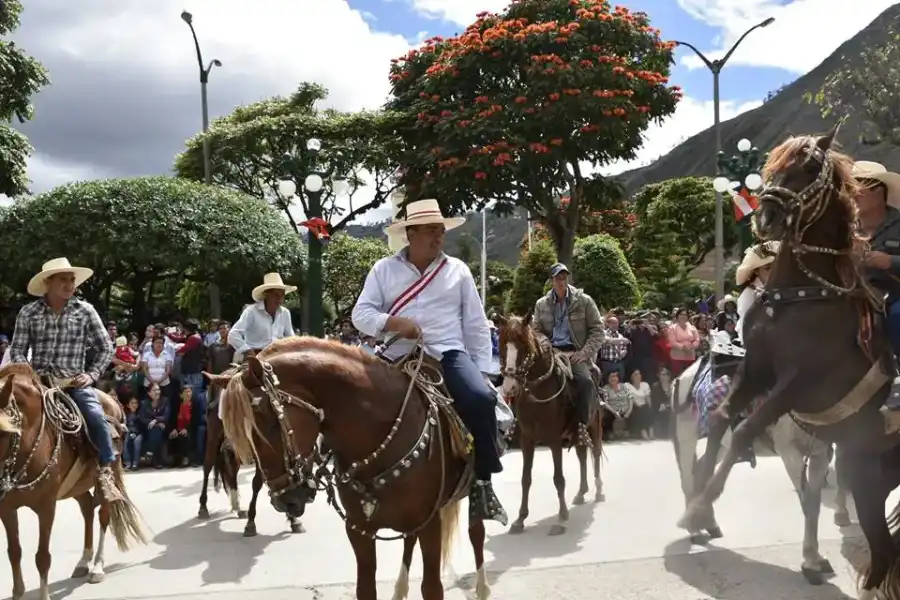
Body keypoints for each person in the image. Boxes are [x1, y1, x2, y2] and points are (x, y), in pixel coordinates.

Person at [352, 198, 507, 526]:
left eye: (441, 231)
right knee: (352, 404)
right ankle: (354, 481)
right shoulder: (384, 269)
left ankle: (483, 485)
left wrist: (481, 373)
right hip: (395, 355)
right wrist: (394, 323)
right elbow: (361, 315)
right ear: (410, 234)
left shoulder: (458, 270)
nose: (439, 237)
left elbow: (476, 325)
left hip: (447, 353)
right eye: (430, 232)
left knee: (481, 399)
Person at [9, 257, 121, 501]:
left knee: (95, 416)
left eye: (72, 280)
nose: (70, 285)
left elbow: (106, 348)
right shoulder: (29, 312)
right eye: (64, 280)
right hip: (37, 385)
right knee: (8, 416)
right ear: (48, 283)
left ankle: (105, 473)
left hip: (73, 385)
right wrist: (28, 372)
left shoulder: (85, 311)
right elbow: (17, 350)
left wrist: (91, 375)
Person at [531, 262, 605, 446]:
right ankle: (522, 424)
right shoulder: (542, 304)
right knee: (527, 379)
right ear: (551, 281)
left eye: (564, 277)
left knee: (586, 382)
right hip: (552, 352)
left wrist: (585, 353)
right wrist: (546, 345)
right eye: (557, 278)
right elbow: (536, 330)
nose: (561, 281)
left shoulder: (584, 300)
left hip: (575, 353)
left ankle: (581, 425)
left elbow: (598, 330)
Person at [852, 161, 900, 410]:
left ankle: (897, 381)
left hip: (894, 295)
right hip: (853, 296)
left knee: (898, 315)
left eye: (857, 188)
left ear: (878, 191)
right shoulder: (846, 229)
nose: (852, 195)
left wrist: (889, 261)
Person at [221, 273, 296, 419]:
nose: (280, 299)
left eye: (282, 295)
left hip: (278, 358)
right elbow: (233, 334)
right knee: (240, 390)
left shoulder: (285, 313)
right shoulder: (251, 312)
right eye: (276, 295)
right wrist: (248, 350)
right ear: (266, 295)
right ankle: (230, 419)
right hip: (255, 358)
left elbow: (290, 337)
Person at [734, 241, 780, 343]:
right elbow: (745, 332)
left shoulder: (783, 290)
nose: (773, 272)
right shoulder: (749, 294)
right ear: (756, 271)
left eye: (776, 267)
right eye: (767, 268)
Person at [123, 397, 144, 470]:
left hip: (139, 433)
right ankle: (127, 462)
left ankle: (135, 463)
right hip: (129, 433)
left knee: (137, 441)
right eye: (132, 403)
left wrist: (135, 433)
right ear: (128, 405)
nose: (134, 405)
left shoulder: (141, 414)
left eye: (136, 403)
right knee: (126, 439)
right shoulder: (125, 415)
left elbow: (142, 426)